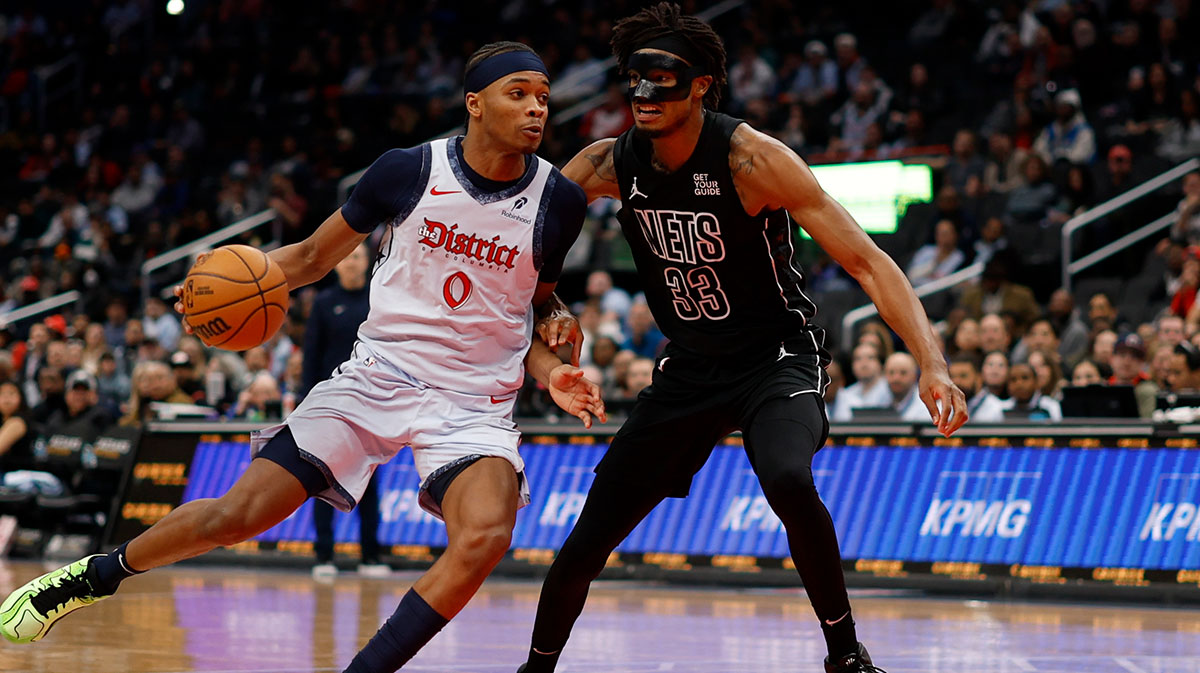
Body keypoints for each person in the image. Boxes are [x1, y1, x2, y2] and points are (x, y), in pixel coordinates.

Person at [2, 43, 606, 673]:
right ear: (474, 104)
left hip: (471, 403)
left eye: (542, 94)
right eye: (519, 93)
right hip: (379, 376)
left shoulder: (558, 203)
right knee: (239, 516)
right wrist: (212, 280)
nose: (538, 107)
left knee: (485, 535)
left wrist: (553, 367)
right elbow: (313, 257)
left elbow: (530, 308)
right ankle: (96, 574)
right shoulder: (406, 171)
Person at [517, 7, 967, 673]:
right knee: (590, 531)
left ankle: (846, 653)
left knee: (787, 475)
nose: (642, 96)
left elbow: (869, 261)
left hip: (775, 358)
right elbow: (526, 252)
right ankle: (536, 667)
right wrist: (550, 304)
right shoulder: (607, 162)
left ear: (701, 85)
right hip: (688, 367)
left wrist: (933, 361)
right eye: (633, 80)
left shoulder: (753, 159)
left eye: (661, 80)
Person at [303, 243, 388, 578]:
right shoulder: (324, 304)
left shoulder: (378, 299)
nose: (352, 263)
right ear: (336, 265)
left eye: (358, 257)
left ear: (367, 262)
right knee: (323, 479)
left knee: (369, 481)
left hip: (372, 403)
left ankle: (370, 555)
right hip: (330, 404)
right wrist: (306, 401)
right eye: (346, 258)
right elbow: (312, 356)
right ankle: (324, 555)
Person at [947, 354, 1005, 422]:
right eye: (952, 376)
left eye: (963, 376)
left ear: (979, 379)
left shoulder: (996, 408)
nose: (956, 382)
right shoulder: (941, 407)